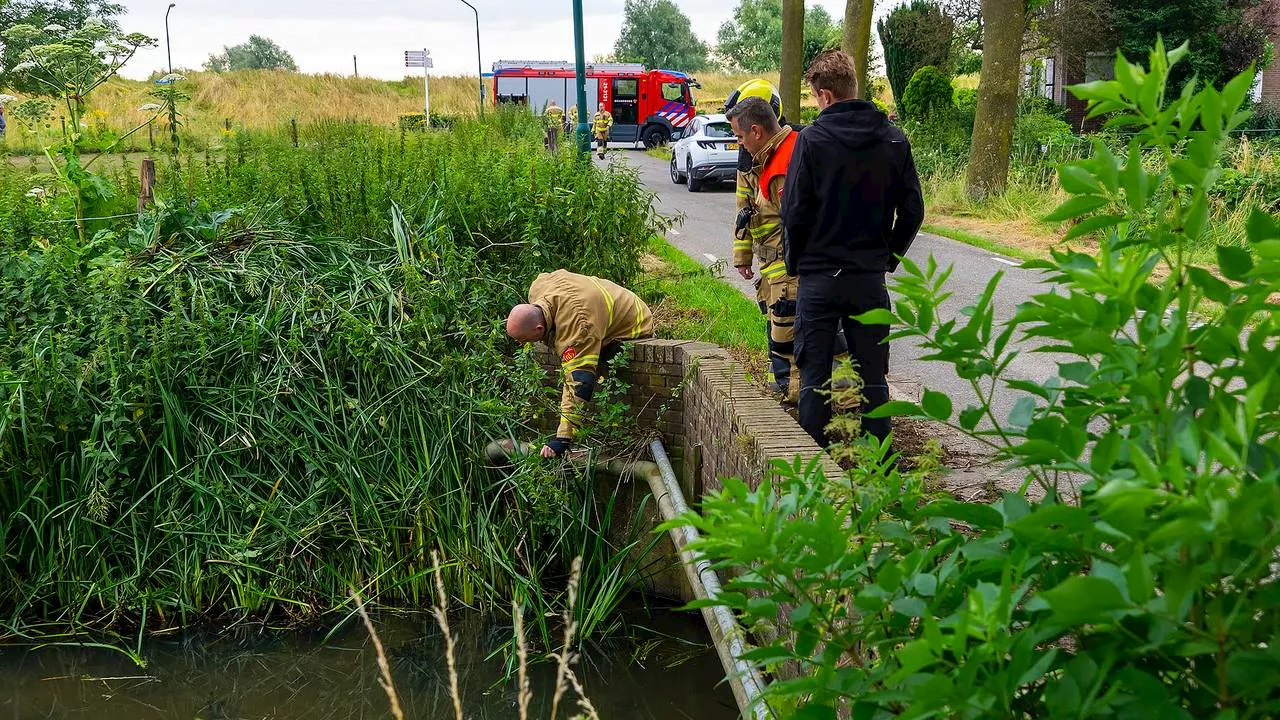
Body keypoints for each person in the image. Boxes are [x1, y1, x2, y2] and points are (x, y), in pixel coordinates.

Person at [781, 50, 924, 446]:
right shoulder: (894, 139)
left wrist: (798, 262)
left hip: (820, 277)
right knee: (873, 377)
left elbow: (793, 212)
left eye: (813, 97)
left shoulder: (810, 141)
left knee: (814, 377)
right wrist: (888, 257)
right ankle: (879, 462)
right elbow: (913, 210)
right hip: (867, 278)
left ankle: (814, 467)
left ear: (824, 95)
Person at [506, 269, 653, 458]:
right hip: (603, 301)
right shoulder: (538, 287)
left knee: (583, 368)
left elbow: (580, 383)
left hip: (636, 320)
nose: (521, 344)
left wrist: (563, 437)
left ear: (539, 328)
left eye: (524, 340)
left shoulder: (579, 329)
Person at [724, 96, 802, 402]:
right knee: (779, 339)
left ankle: (797, 409)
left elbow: (796, 224)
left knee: (790, 344)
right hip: (774, 268)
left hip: (787, 269)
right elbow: (745, 211)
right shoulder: (762, 158)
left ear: (756, 130)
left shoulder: (782, 161)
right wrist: (742, 255)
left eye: (740, 137)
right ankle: (786, 393)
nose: (739, 145)